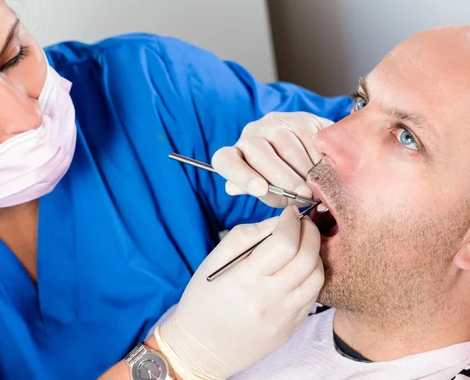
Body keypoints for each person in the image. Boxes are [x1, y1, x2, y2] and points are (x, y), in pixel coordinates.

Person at [0, 0, 354, 379]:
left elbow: (395, 170)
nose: (26, 114)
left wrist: (320, 157)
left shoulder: (146, 86)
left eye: (14, 55)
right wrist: (176, 359)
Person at [177, 25, 470, 379]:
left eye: (407, 138)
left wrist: (172, 362)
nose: (327, 137)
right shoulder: (236, 307)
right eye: (361, 101)